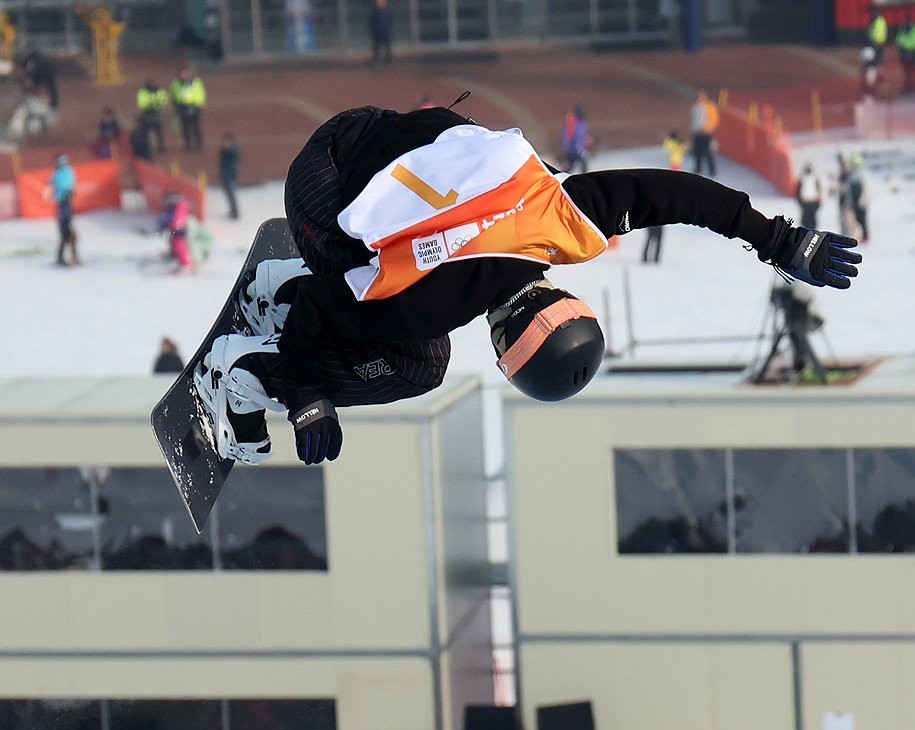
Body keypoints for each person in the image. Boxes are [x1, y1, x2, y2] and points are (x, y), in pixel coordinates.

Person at [195, 104, 860, 468]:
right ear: (506, 341)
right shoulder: (430, 304)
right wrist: (308, 399)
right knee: (420, 366)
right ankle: (250, 373)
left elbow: (671, 195)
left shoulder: (567, 219)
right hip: (317, 190)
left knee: (375, 297)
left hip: (362, 130)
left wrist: (781, 240)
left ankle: (284, 287)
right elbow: (323, 312)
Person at [50, 153, 78, 267]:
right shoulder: (59, 172)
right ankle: (64, 257)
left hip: (65, 203)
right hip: (63, 203)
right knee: (65, 233)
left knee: (67, 233)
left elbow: (64, 185)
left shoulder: (65, 172)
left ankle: (71, 256)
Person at [170, 66, 207, 151]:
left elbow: (201, 93)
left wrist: (200, 104)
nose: (184, 75)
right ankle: (188, 145)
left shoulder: (196, 82)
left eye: (185, 73)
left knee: (196, 126)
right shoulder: (175, 83)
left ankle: (199, 145)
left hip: (194, 106)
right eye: (182, 74)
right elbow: (173, 95)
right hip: (182, 107)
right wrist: (175, 105)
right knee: (185, 127)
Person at [689, 88, 719, 176]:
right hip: (697, 132)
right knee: (697, 152)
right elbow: (694, 119)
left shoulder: (709, 106)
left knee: (708, 152)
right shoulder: (695, 106)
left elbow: (714, 119)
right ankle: (698, 168)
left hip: (705, 133)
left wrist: (707, 128)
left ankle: (712, 171)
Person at [136, 79, 168, 153]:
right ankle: (147, 146)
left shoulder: (159, 91)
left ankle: (161, 147)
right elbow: (142, 102)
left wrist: (154, 105)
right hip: (147, 113)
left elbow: (164, 100)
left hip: (156, 112)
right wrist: (154, 104)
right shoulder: (143, 92)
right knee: (147, 132)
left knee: (158, 132)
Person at [560, 104, 592, 173]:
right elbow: (571, 136)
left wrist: (587, 139)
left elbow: (583, 134)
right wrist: (577, 148)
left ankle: (564, 177)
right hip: (574, 149)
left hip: (578, 148)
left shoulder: (582, 122)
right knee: (576, 165)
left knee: (573, 166)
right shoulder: (573, 122)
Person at [218, 132, 241, 220]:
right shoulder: (225, 152)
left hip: (230, 177)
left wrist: (230, 176)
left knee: (231, 194)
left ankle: (235, 211)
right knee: (229, 195)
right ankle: (232, 210)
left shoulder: (232, 153)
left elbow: (232, 167)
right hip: (225, 176)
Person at [796, 162, 822, 230]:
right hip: (805, 201)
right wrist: (800, 201)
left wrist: (818, 202)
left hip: (812, 201)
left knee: (812, 221)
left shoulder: (815, 178)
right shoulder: (802, 178)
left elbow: (818, 190)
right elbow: (798, 191)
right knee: (805, 221)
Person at [368, 0, 393, 66]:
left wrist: (388, 29)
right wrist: (373, 30)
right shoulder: (374, 12)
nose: (381, 3)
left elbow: (390, 21)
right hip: (377, 32)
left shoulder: (388, 11)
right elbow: (372, 22)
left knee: (387, 46)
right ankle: (376, 59)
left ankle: (388, 60)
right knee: (376, 46)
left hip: (385, 32)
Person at [898, 20, 915, 93]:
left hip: (909, 55)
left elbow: (910, 44)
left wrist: (903, 43)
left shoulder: (904, 32)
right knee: (907, 73)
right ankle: (908, 87)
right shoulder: (903, 31)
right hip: (907, 55)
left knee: (909, 72)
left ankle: (909, 87)